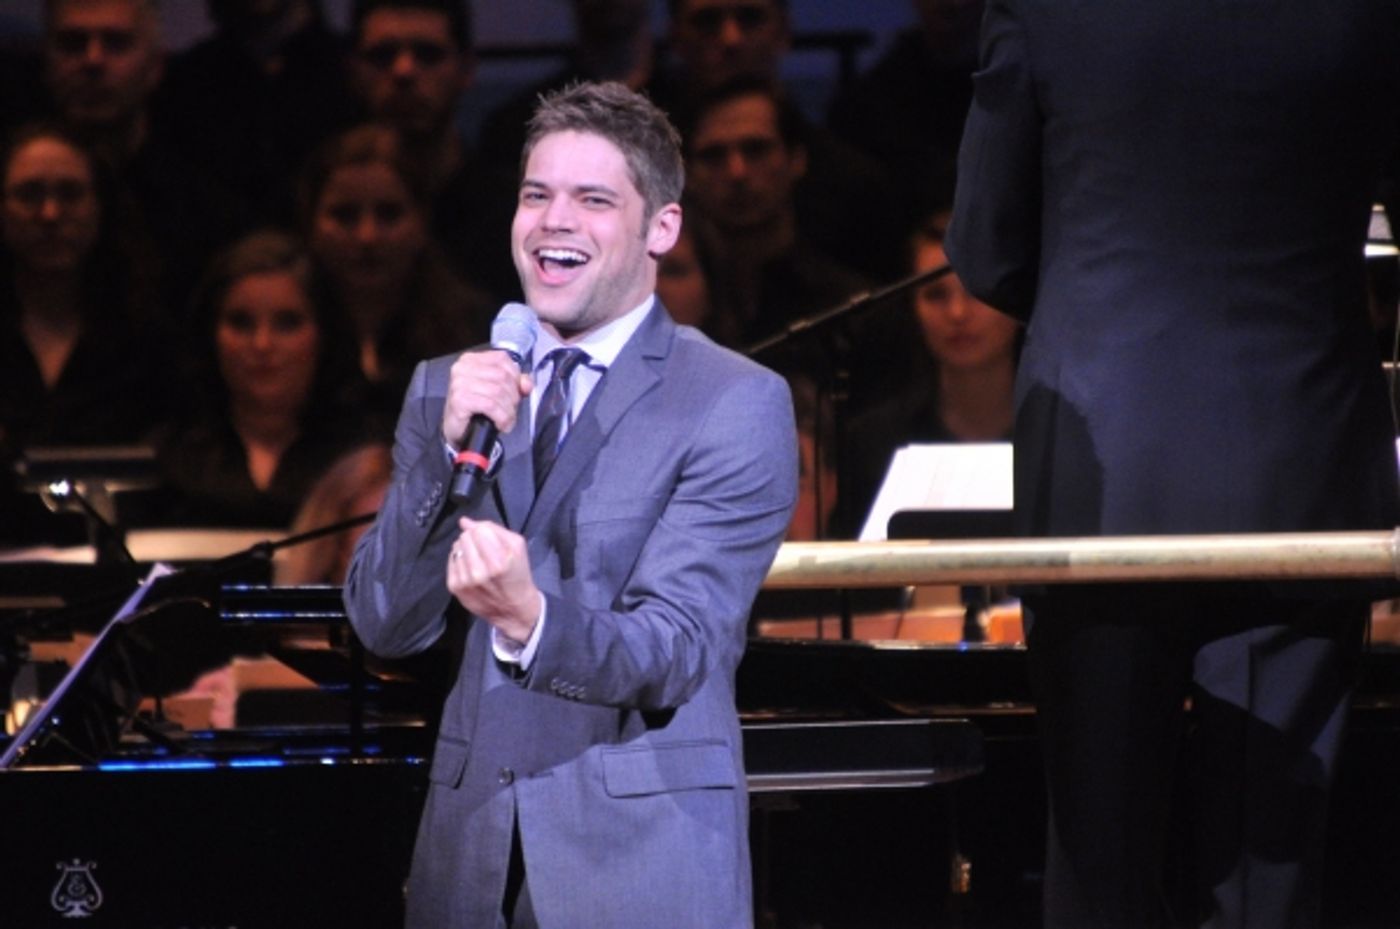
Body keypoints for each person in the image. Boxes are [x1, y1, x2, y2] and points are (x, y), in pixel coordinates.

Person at [945, 4, 1400, 927]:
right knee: (1271, 871)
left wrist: (1096, 308)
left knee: (1099, 861)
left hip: (1106, 464)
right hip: (1301, 455)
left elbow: (987, 247)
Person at [343, 80, 797, 928]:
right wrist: (444, 450)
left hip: (639, 863)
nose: (554, 221)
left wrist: (530, 619)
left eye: (593, 200)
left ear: (661, 227)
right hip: (468, 861)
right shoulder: (448, 388)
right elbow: (384, 621)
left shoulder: (732, 399)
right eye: (536, 195)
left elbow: (677, 645)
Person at [0, 122, 166, 546]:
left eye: (70, 194)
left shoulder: (149, 336)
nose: (50, 214)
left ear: (100, 205)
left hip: (119, 561)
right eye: (29, 194)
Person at [145, 229, 375, 530]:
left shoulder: (365, 460)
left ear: (324, 334)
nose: (262, 344)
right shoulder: (166, 456)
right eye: (241, 323)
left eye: (287, 323)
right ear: (210, 334)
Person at [300, 122, 494, 418]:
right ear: (311, 222)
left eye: (388, 214)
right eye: (345, 215)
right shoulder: (279, 326)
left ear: (422, 220)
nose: (367, 236)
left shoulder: (476, 332)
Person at [849, 210, 1019, 522]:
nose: (957, 313)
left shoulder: (1062, 436)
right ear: (912, 306)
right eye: (936, 294)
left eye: (978, 290)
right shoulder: (872, 442)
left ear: (1018, 297)